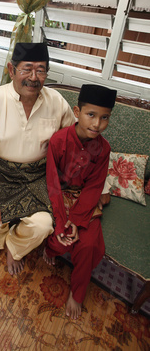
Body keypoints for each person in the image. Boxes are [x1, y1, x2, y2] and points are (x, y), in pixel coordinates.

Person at [0, 42, 75, 275]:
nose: (34, 77)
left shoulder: (56, 102)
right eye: (27, 69)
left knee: (44, 225)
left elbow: (75, 138)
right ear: (12, 71)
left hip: (37, 175)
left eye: (41, 70)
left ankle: (15, 247)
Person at [43, 84, 117, 319]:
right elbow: (52, 182)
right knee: (61, 235)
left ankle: (77, 293)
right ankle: (49, 250)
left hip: (85, 199)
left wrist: (76, 219)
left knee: (88, 245)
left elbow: (95, 186)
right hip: (58, 194)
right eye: (91, 115)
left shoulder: (104, 149)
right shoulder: (58, 140)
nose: (97, 124)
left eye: (104, 118)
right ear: (77, 111)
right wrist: (64, 219)